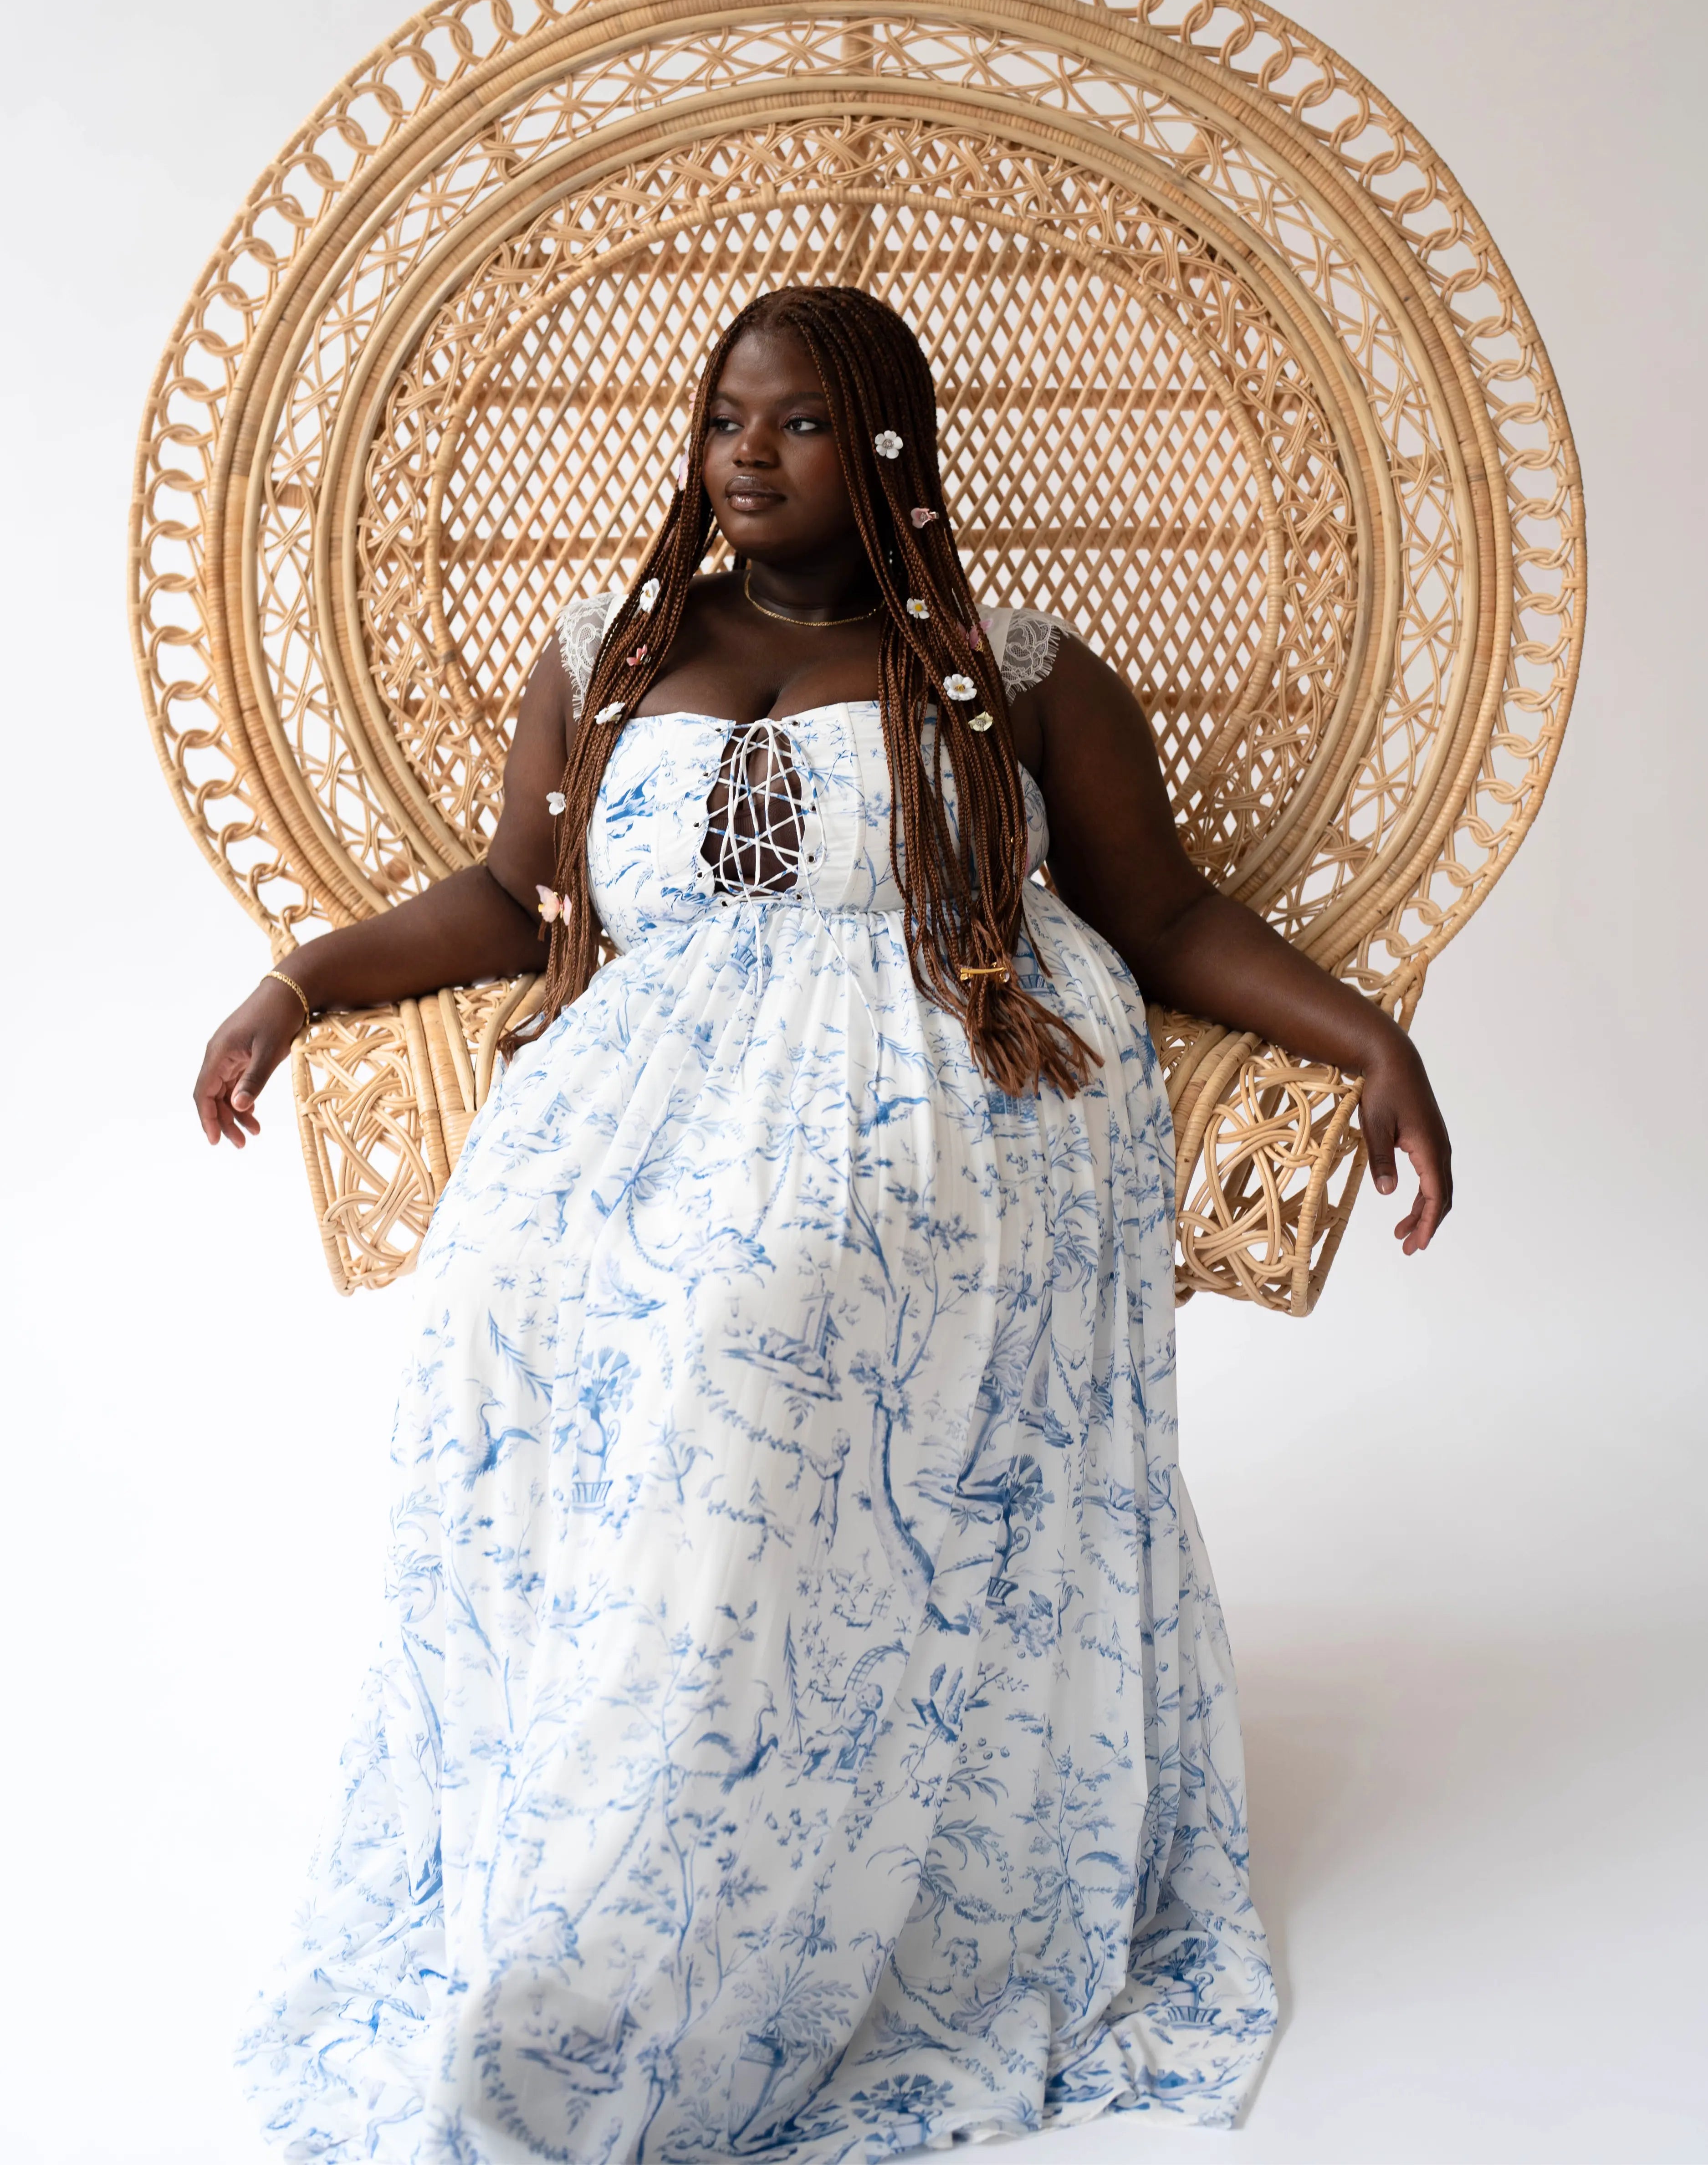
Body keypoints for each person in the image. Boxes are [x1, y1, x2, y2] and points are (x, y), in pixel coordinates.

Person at [197, 285, 1452, 2160]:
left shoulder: (1011, 672)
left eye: (786, 424)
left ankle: (729, 1885)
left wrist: (1371, 1037)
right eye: (720, 423)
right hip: (636, 1104)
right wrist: (294, 987)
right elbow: (502, 891)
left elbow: (1166, 914)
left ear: (882, 447)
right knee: (497, 1307)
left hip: (941, 1092)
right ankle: (582, 1833)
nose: (743, 458)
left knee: (747, 1328)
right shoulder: (609, 649)